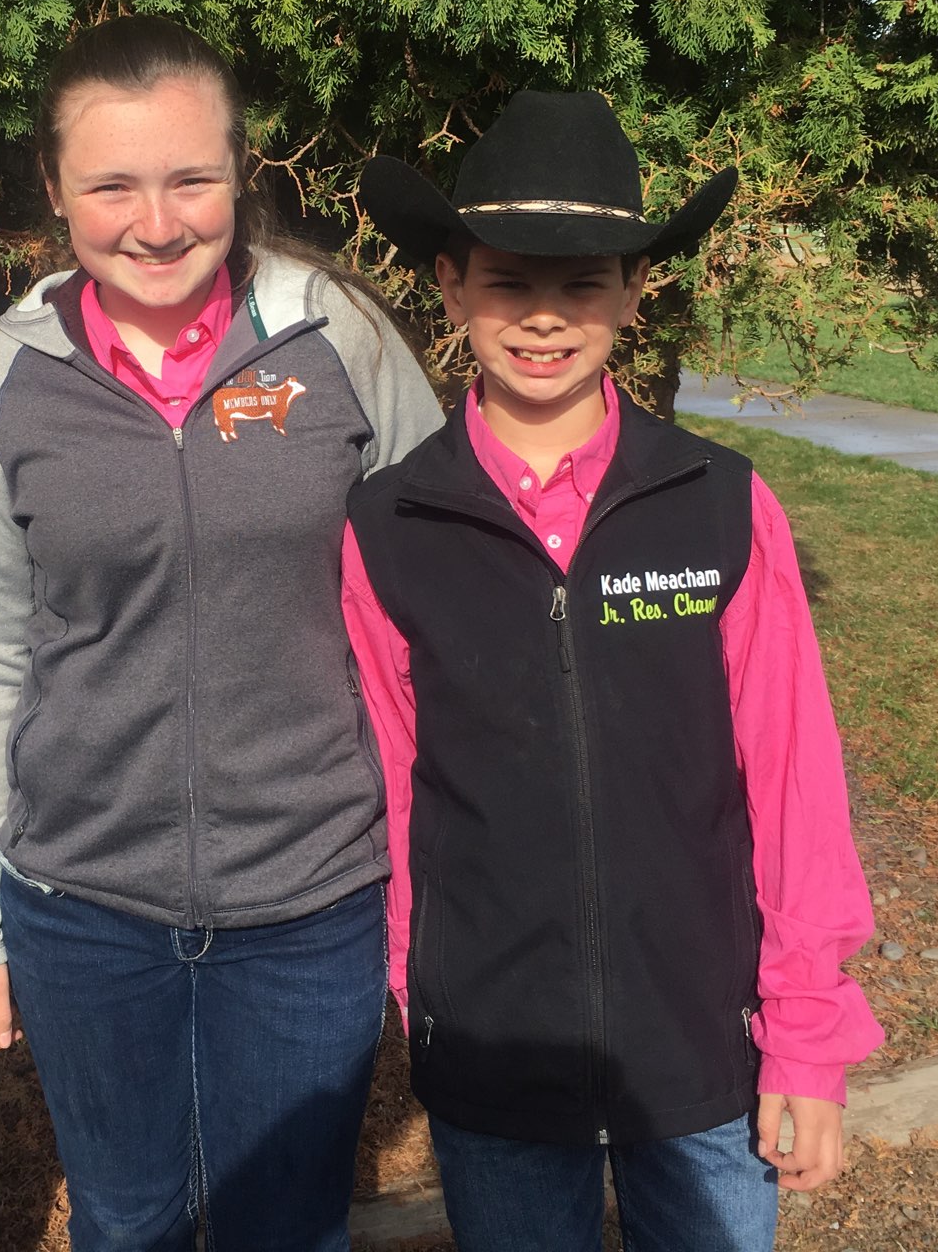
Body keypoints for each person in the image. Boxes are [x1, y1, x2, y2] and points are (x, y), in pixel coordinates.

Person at [0, 15, 444, 1251]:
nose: (156, 224)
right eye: (111, 184)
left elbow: (438, 605)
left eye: (190, 179)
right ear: (54, 188)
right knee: (126, 1220)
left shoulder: (337, 340)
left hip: (309, 896)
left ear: (239, 174)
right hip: (82, 908)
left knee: (288, 1224)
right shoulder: (3, 382)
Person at [342, 91, 885, 1252]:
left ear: (634, 290)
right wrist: (415, 988)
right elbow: (391, 783)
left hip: (699, 1043)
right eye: (506, 282)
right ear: (449, 286)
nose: (543, 317)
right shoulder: (387, 525)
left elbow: (793, 779)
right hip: (494, 1046)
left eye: (582, 283)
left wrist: (803, 1032)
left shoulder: (719, 505)